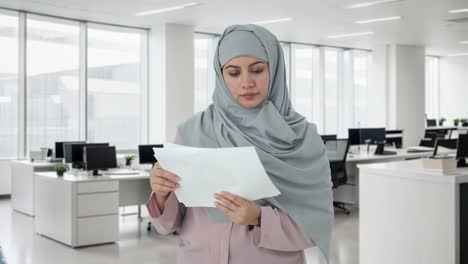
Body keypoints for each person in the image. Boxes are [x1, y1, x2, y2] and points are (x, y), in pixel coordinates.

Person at [146, 24, 333, 264]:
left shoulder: (302, 139)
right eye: (234, 73)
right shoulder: (192, 131)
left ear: (274, 70)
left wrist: (259, 217)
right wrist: (161, 195)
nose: (246, 83)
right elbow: (167, 225)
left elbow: (315, 226)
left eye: (257, 70)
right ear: (220, 75)